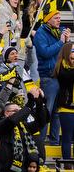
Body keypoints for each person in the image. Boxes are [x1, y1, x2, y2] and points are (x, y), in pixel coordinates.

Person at [34, 10, 70, 144]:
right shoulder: (40, 33)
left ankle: (54, 140)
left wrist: (68, 41)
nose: (59, 20)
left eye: (60, 18)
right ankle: (41, 141)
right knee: (46, 111)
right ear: (48, 20)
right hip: (48, 76)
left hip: (61, 76)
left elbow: (68, 53)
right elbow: (45, 52)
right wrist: (61, 42)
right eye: (56, 18)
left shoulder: (60, 32)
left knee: (57, 111)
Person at [53, 43, 74, 160]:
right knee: (67, 137)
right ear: (67, 52)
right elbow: (70, 77)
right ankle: (67, 164)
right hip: (67, 108)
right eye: (73, 50)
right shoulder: (61, 68)